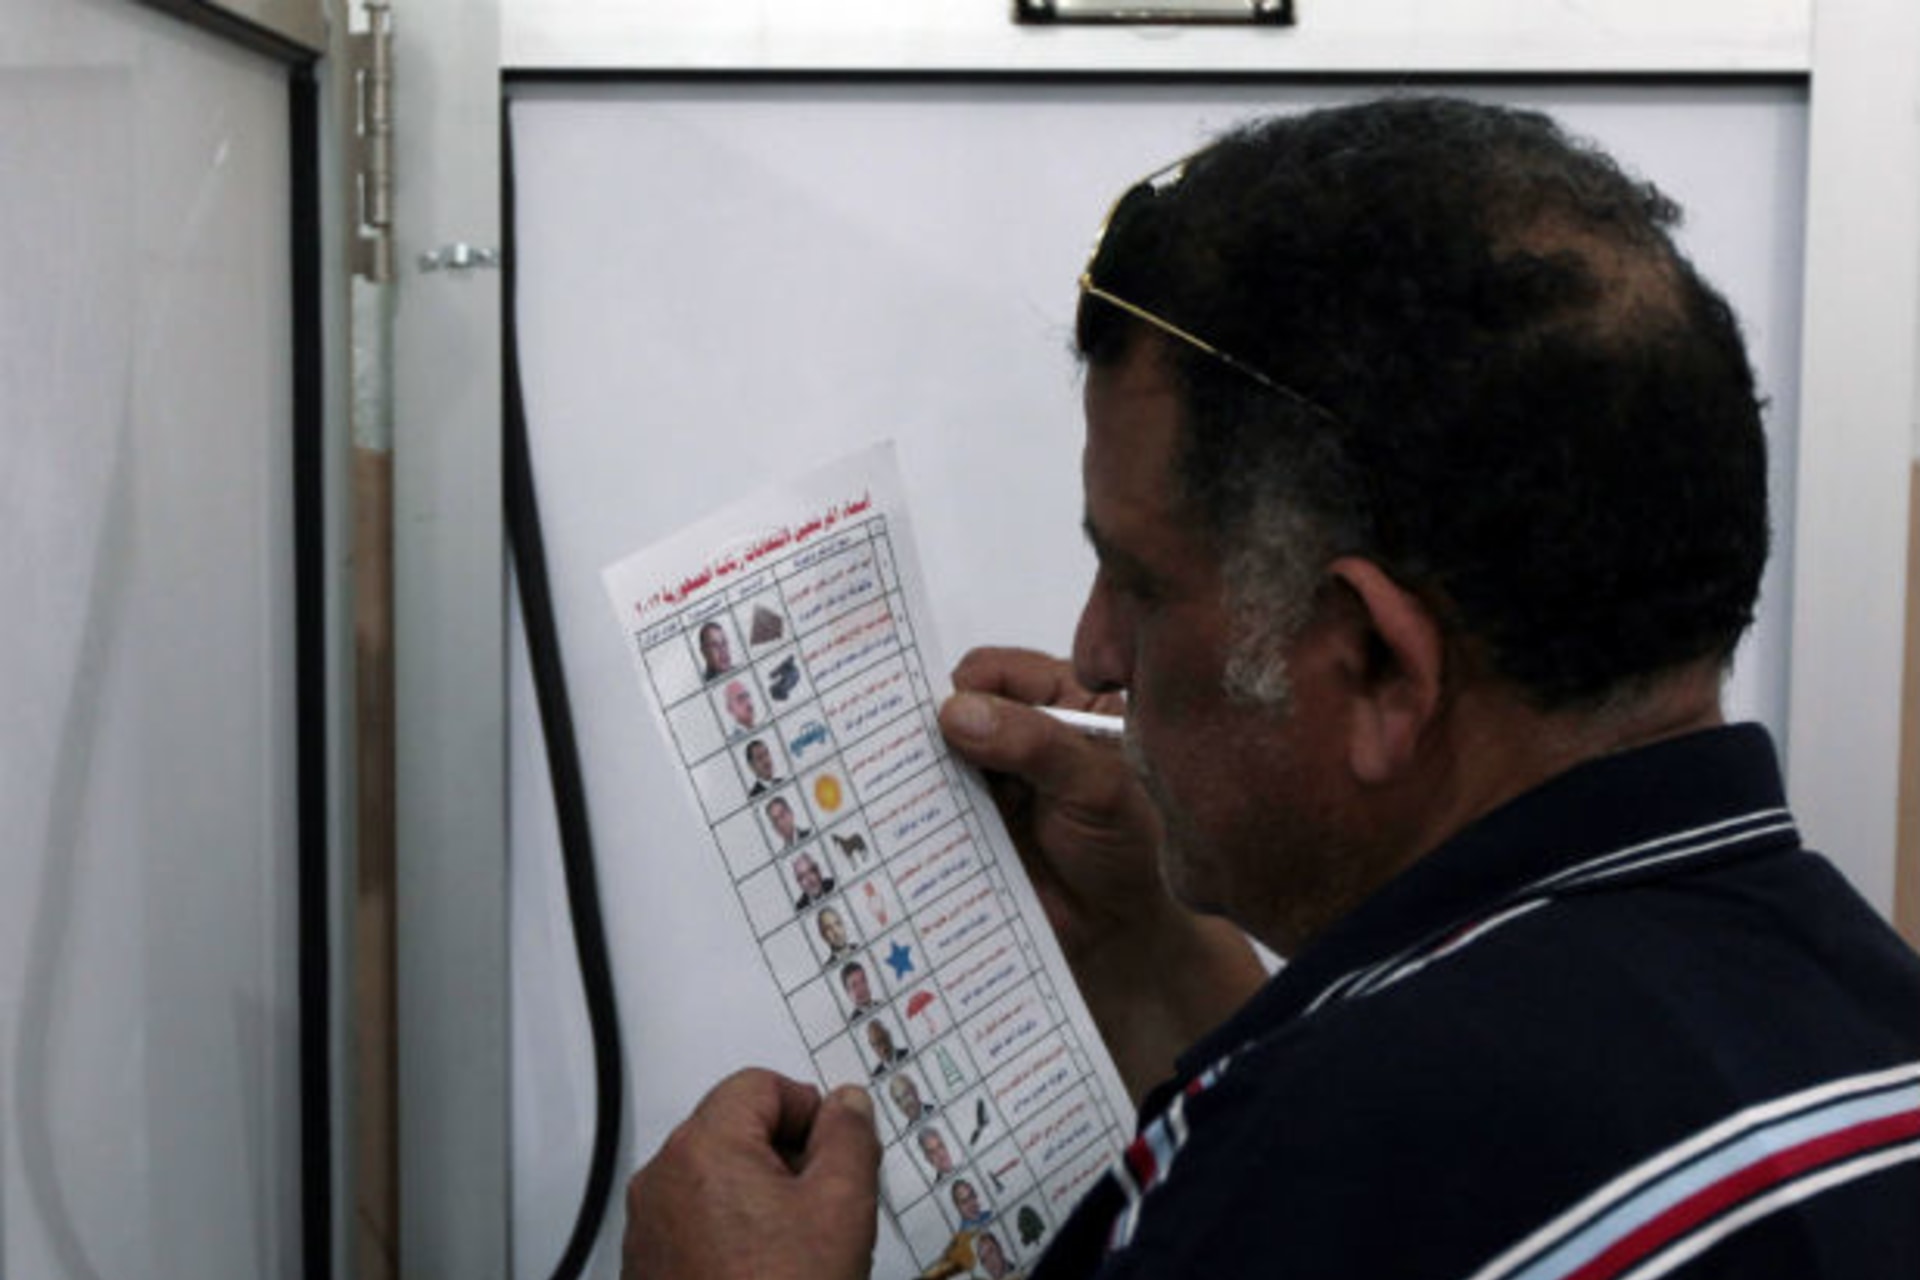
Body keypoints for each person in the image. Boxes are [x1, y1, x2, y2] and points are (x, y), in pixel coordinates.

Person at [619, 97, 1920, 1280]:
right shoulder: (1870, 1016)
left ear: (1373, 663)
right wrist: (1165, 970)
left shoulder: (1298, 1193)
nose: (1098, 651)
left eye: (1136, 579)